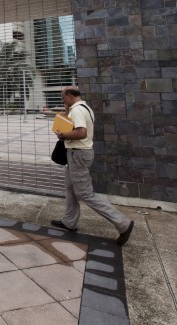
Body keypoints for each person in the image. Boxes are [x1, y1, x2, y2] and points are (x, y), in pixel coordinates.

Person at [52, 86, 134, 245]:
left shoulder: (77, 111)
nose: (63, 101)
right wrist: (67, 108)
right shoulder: (84, 107)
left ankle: (123, 224)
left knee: (85, 194)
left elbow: (81, 132)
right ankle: (69, 221)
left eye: (63, 98)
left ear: (69, 96)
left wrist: (63, 135)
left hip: (78, 154)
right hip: (77, 154)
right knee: (70, 187)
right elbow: (71, 119)